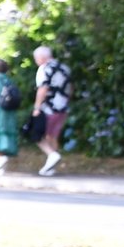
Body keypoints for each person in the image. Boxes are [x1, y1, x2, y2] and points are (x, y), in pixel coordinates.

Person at [31, 44, 72, 175]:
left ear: (41, 57)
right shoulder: (65, 68)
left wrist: (37, 107)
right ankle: (51, 166)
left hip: (48, 107)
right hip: (63, 107)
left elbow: (43, 88)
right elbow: (70, 88)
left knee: (36, 133)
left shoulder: (44, 69)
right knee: (53, 135)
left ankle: (52, 155)